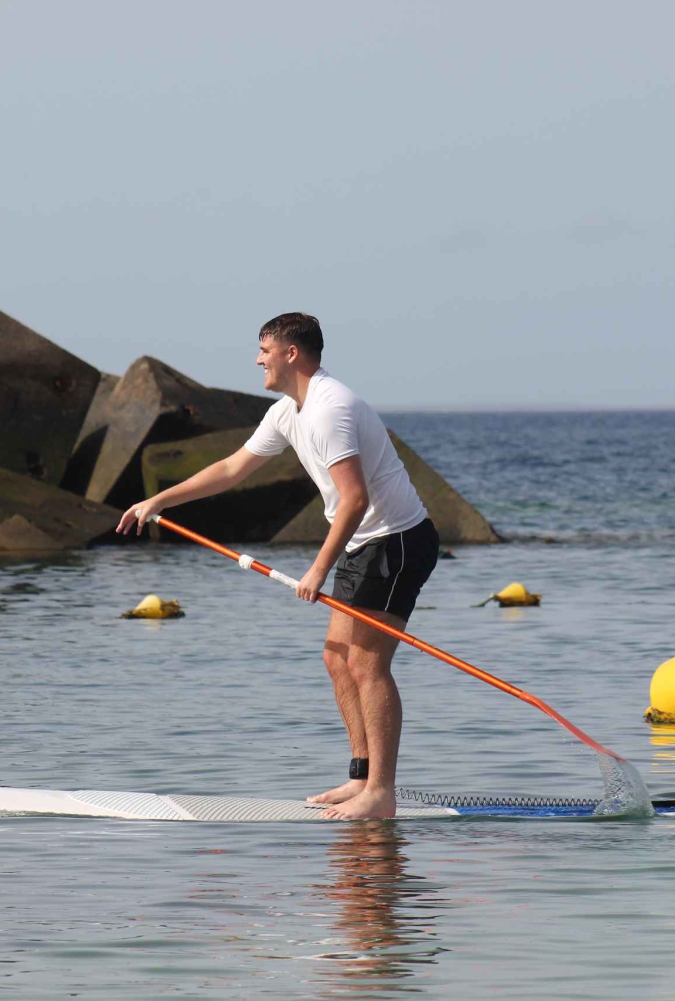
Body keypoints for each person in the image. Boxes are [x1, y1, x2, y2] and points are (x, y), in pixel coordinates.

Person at [117, 313, 438, 819]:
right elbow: (230, 469)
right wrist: (159, 500)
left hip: (397, 541)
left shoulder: (331, 408)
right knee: (336, 658)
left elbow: (353, 501)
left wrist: (315, 570)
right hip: (363, 544)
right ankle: (360, 778)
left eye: (264, 349)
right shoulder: (288, 411)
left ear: (291, 353)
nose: (257, 359)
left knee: (367, 664)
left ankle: (382, 792)